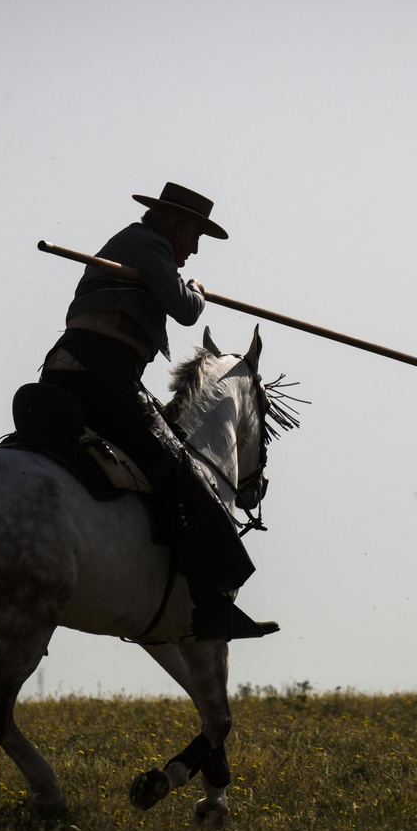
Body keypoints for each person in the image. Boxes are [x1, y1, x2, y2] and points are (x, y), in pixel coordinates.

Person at [38, 182, 276, 641]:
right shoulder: (149, 245)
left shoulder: (131, 244)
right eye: (195, 237)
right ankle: (210, 601)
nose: (194, 250)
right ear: (176, 225)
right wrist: (197, 289)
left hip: (64, 371)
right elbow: (187, 311)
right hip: (102, 378)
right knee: (180, 469)